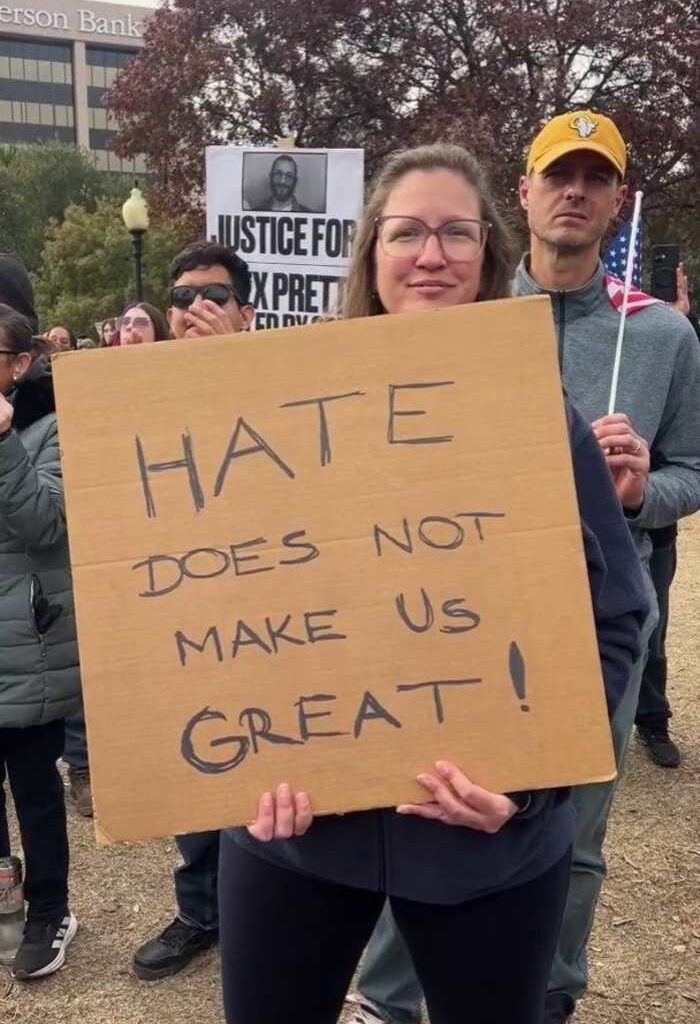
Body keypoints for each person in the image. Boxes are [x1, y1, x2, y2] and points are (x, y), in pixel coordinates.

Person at [216, 142, 649, 1024]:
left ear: (487, 254)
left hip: (484, 840)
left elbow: (613, 620)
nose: (431, 254)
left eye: (457, 232)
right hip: (298, 831)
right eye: (406, 232)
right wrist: (237, 761)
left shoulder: (540, 416)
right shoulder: (269, 407)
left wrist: (530, 786)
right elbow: (204, 597)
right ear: (371, 254)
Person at [348, 113, 700, 1024]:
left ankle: (546, 992)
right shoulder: (453, 305)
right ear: (528, 194)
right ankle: (394, 996)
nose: (575, 192)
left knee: (567, 821)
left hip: (597, 612)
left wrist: (637, 496)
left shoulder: (661, 336)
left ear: (618, 201)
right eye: (558, 175)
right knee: (424, 797)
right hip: (446, 600)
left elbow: (691, 472)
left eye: (596, 178)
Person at [132, 241, 254, 982]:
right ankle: (202, 910)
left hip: (273, 610)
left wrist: (230, 367)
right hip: (184, 610)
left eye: (212, 297)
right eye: (180, 301)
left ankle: (272, 908)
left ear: (247, 311)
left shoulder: (287, 382)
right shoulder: (135, 393)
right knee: (197, 761)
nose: (193, 312)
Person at [0, 295, 81, 979]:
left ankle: (51, 911)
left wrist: (2, 444)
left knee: (34, 786)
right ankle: (4, 884)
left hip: (26, 640)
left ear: (21, 363)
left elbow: (48, 524)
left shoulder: (54, 424)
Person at [634, 263, 700, 768]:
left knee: (649, 631)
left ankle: (652, 721)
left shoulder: (670, 335)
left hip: (651, 523)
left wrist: (682, 320)